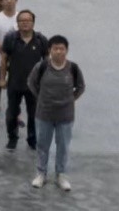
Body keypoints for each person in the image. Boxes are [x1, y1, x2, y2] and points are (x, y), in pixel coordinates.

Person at [28, 35, 85, 191]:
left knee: (63, 147)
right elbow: (31, 83)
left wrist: (70, 99)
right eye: (55, 48)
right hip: (44, 115)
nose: (58, 51)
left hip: (65, 116)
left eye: (62, 49)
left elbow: (81, 87)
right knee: (42, 145)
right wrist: (41, 98)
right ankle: (41, 174)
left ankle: (61, 175)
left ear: (66, 50)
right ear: (49, 50)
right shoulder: (41, 67)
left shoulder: (73, 68)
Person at [0, 9, 49, 151]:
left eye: (28, 20)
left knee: (34, 114)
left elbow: (47, 61)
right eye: (22, 20)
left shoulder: (41, 40)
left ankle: (32, 139)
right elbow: (4, 59)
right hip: (14, 83)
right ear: (17, 23)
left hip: (34, 86)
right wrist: (2, 78)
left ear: (33, 23)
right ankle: (12, 138)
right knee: (12, 114)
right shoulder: (10, 38)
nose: (25, 23)